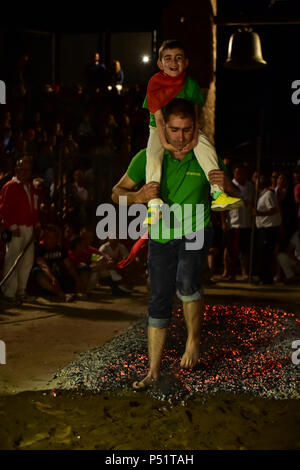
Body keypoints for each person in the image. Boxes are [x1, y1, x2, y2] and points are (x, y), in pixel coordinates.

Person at [111, 98, 240, 389]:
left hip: (196, 228)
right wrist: (137, 197)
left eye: (187, 129)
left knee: (186, 280)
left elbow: (232, 195)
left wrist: (226, 184)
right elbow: (115, 194)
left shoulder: (205, 155)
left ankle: (193, 340)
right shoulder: (148, 157)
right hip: (160, 234)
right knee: (158, 298)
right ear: (163, 128)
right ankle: (152, 371)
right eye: (174, 129)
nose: (181, 137)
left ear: (196, 128)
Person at [142, 39, 242, 223]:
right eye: (168, 58)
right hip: (159, 128)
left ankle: (218, 194)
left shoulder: (191, 85)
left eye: (178, 58)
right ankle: (154, 206)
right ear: (160, 63)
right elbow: (158, 118)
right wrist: (166, 144)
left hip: (187, 128)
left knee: (206, 147)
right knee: (153, 157)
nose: (173, 63)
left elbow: (196, 117)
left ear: (186, 62)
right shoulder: (154, 84)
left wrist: (194, 138)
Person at [0, 157, 40, 305]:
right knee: (12, 260)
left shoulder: (30, 187)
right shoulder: (10, 186)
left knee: (27, 261)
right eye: (22, 169)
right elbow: (5, 209)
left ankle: (21, 291)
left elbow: (34, 208)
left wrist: (37, 224)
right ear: (16, 169)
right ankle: (9, 293)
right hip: (17, 229)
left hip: (29, 228)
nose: (25, 173)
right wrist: (13, 227)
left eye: (28, 170)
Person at [252, 174, 281, 284]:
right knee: (262, 253)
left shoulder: (268, 194)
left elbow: (273, 209)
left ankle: (266, 278)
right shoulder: (260, 196)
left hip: (269, 229)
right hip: (263, 228)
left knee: (266, 254)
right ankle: (263, 276)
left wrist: (259, 213)